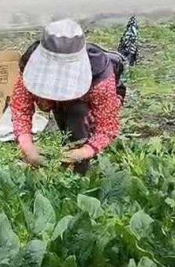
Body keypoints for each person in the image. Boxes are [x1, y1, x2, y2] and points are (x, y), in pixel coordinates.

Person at [11, 19, 125, 174]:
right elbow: (20, 109)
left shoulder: (100, 80)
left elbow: (106, 128)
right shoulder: (29, 66)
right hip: (59, 105)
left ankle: (80, 171)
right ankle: (69, 144)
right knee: (66, 125)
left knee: (78, 118)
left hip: (85, 102)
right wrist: (27, 147)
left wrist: (84, 151)